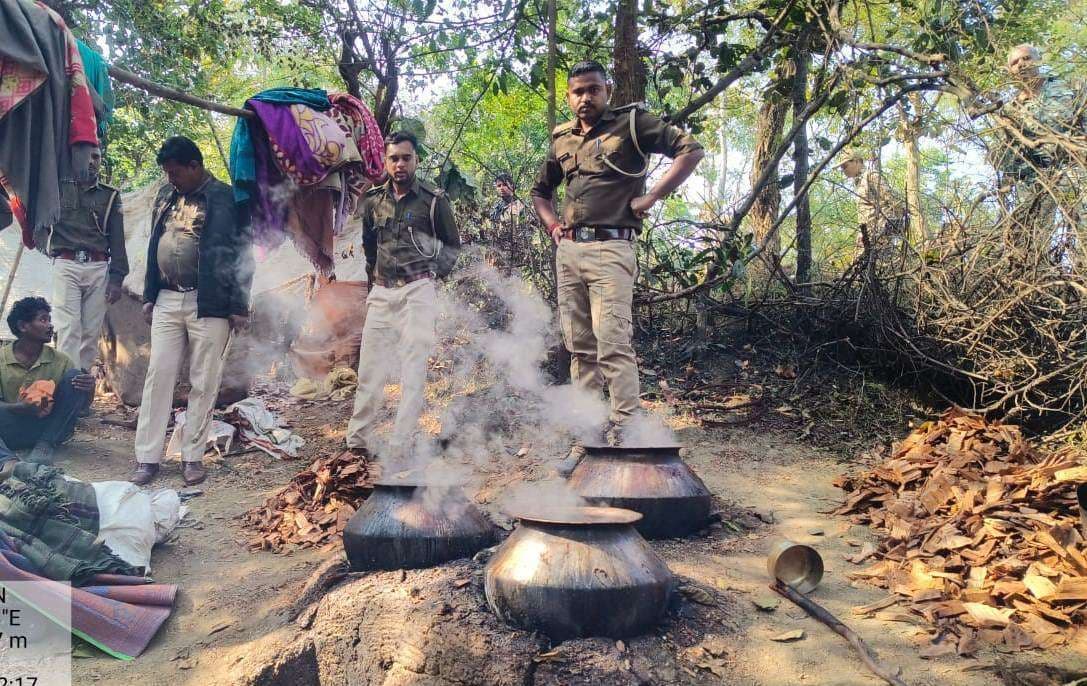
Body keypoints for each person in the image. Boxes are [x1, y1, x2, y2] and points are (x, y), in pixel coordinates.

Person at [530, 60, 704, 438]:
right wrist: (553, 226)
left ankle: (628, 432)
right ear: (568, 96)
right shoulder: (563, 138)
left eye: (593, 89)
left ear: (607, 90)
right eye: (578, 91)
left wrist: (654, 195)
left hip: (612, 250)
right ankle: (587, 435)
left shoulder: (632, 125)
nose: (586, 98)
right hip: (570, 253)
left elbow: (689, 149)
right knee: (580, 349)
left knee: (612, 344)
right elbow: (540, 191)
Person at [130, 136, 253, 486]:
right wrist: (149, 294)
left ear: (195, 166)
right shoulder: (166, 197)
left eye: (175, 172)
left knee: (204, 380)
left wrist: (239, 305)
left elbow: (243, 253)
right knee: (159, 377)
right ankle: (147, 458)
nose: (170, 178)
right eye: (167, 173)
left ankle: (192, 457)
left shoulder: (226, 197)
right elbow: (156, 244)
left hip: (210, 303)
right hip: (168, 299)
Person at [345, 131, 461, 461]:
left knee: (413, 369)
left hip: (417, 291)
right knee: (370, 368)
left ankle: (400, 443)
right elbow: (369, 246)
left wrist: (433, 275)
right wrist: (374, 279)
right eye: (394, 158)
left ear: (416, 160)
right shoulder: (373, 200)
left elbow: (453, 246)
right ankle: (358, 441)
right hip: (382, 291)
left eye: (406, 158)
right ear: (385, 161)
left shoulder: (433, 200)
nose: (400, 164)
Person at [42, 144, 128, 372]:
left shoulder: (110, 196)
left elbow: (118, 240)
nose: (92, 162)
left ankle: (80, 389)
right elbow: (38, 220)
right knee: (68, 327)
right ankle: (65, 387)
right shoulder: (56, 187)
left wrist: (117, 278)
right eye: (87, 156)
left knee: (91, 332)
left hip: (98, 266)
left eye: (97, 157)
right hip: (66, 263)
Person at [0, 297, 94, 464]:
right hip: (8, 430)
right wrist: (20, 407)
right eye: (43, 319)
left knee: (74, 376)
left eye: (50, 319)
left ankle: (44, 446)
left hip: (47, 429)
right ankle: (8, 461)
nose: (50, 325)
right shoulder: (2, 359)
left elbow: (79, 408)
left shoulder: (61, 361)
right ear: (23, 326)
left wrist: (89, 389)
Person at [836, 150, 905, 253]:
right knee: (859, 266)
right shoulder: (859, 182)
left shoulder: (872, 176)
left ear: (856, 161)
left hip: (879, 233)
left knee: (878, 265)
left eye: (845, 166)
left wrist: (891, 226)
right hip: (866, 235)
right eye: (841, 168)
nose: (844, 170)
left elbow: (893, 200)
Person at [484, 172, 530, 269]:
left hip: (517, 255)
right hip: (498, 255)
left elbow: (529, 232)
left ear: (512, 186)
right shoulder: (496, 208)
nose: (501, 188)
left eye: (505, 184)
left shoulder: (520, 206)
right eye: (498, 186)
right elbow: (491, 232)